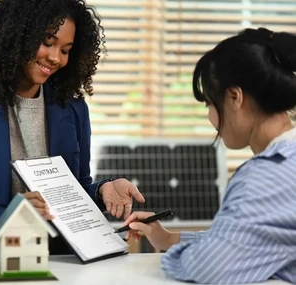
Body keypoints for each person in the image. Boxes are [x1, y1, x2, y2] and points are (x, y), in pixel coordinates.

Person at [0, 0, 145, 255]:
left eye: (65, 50)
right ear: (16, 38)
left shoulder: (73, 110)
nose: (55, 58)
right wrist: (13, 215)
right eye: (48, 42)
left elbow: (75, 190)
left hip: (61, 255)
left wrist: (102, 191)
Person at [122, 27, 296, 284]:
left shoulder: (266, 176)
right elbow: (254, 235)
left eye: (209, 103)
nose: (210, 117)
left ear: (235, 97)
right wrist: (170, 239)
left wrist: (177, 255)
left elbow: (209, 268)